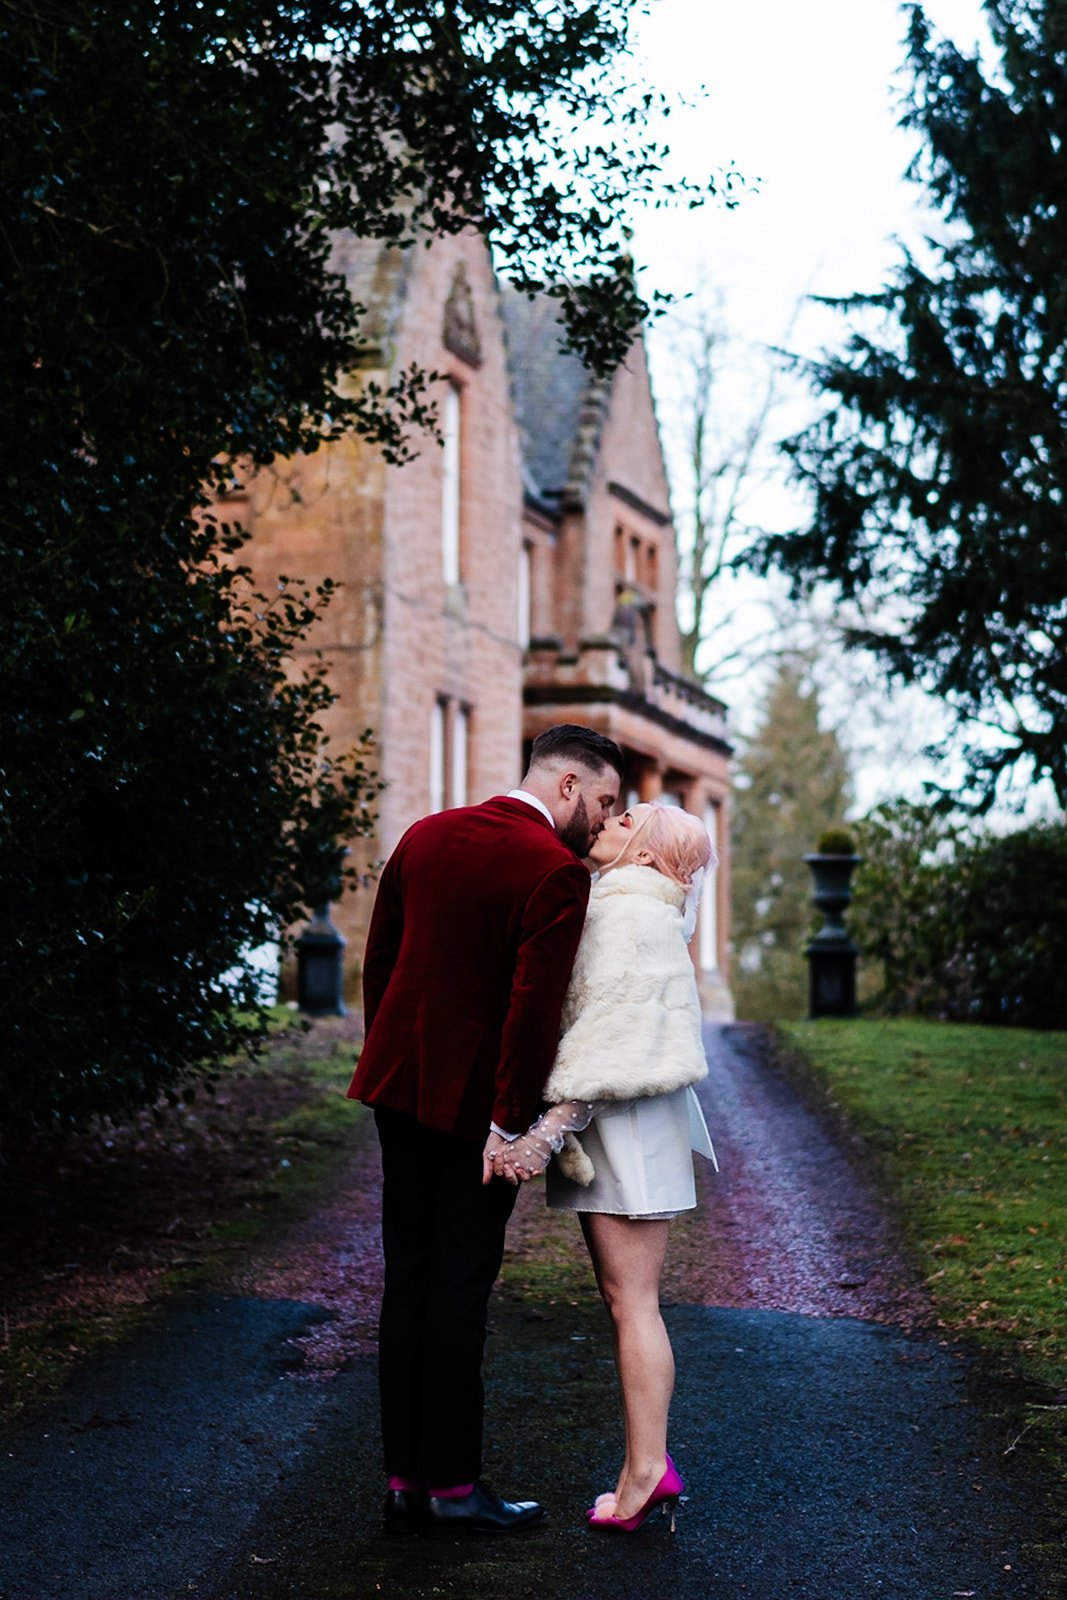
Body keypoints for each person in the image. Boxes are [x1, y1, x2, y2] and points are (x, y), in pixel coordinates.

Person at [347, 724, 624, 1535]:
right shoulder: (550, 871)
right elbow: (530, 1014)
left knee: (409, 1279)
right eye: (603, 801)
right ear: (566, 786)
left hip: (399, 1087)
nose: (604, 823)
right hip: (479, 1114)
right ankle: (454, 1488)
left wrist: (389, 1058)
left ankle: (404, 1479)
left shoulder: (423, 837)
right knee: (460, 1285)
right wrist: (511, 1126)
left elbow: (379, 963)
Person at [490, 802, 717, 1534]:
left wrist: (542, 1135)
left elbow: (609, 1039)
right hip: (628, 1120)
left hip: (627, 1120)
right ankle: (641, 1468)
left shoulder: (629, 916)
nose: (606, 821)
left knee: (634, 1303)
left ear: (648, 856)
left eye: (626, 820)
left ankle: (647, 1472)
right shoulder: (634, 908)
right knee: (628, 1301)